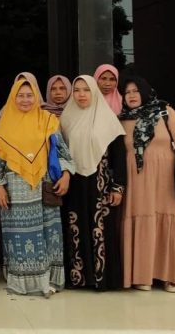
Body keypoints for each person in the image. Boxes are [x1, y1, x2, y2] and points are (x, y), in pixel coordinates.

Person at [0, 78, 74, 298]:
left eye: (29, 95)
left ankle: (48, 281)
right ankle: (22, 282)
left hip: (43, 185)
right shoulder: (5, 123)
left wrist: (66, 175)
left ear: (36, 97)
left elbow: (61, 151)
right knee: (19, 235)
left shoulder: (48, 120)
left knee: (47, 233)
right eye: (20, 95)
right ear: (13, 97)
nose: (25, 100)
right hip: (15, 188)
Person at [118, 75, 175, 292]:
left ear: (145, 91)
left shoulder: (165, 112)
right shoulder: (121, 119)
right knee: (141, 218)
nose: (131, 96)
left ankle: (171, 275)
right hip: (136, 181)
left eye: (135, 91)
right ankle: (142, 275)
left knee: (167, 218)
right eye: (127, 92)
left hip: (165, 179)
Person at [59, 75, 126, 290]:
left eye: (86, 90)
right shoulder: (66, 119)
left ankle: (101, 279)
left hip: (101, 184)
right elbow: (60, 153)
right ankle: (79, 278)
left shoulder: (108, 120)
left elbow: (119, 158)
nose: (81, 95)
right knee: (75, 229)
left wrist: (118, 187)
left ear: (94, 92)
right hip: (74, 183)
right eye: (77, 90)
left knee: (101, 230)